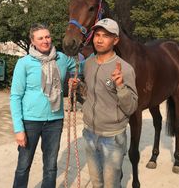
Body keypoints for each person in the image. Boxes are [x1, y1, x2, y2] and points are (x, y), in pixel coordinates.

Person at [10, 23, 80, 188]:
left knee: (50, 167)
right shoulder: (24, 63)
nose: (45, 41)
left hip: (55, 121)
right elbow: (15, 96)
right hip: (30, 122)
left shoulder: (61, 59)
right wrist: (18, 129)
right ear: (32, 41)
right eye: (40, 38)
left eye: (47, 37)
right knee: (23, 166)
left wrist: (74, 79)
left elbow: (79, 67)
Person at [71, 18, 138, 188]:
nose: (99, 40)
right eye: (97, 35)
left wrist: (121, 86)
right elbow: (90, 94)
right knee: (96, 183)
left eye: (106, 36)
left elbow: (131, 107)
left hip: (112, 137)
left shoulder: (125, 69)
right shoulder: (89, 64)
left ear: (115, 40)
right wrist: (78, 87)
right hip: (89, 133)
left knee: (111, 185)